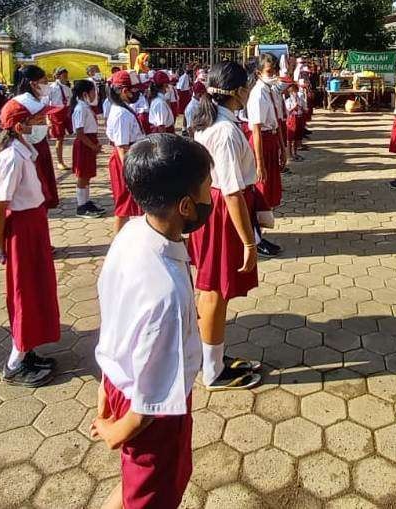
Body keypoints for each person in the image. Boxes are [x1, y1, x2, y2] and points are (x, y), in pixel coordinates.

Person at [91, 133, 210, 509]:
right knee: (153, 495)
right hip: (152, 412)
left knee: (134, 487)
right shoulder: (166, 294)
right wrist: (117, 432)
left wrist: (105, 386)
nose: (213, 195)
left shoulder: (132, 232)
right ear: (187, 206)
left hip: (119, 379)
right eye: (208, 187)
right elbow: (149, 404)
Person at [188, 61, 263, 392]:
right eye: (246, 86)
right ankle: (213, 371)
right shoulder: (226, 131)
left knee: (210, 288)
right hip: (222, 212)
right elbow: (232, 193)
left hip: (212, 206)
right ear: (236, 92)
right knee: (215, 291)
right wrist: (249, 242)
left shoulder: (209, 121)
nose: (249, 92)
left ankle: (210, 358)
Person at [0, 98, 61, 387]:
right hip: (21, 229)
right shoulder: (11, 158)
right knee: (25, 292)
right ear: (20, 126)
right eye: (37, 121)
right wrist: (1, 243)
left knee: (38, 288)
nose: (42, 125)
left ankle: (28, 349)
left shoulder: (24, 152)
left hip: (33, 224)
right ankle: (15, 363)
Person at [246, 55, 284, 257]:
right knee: (259, 192)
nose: (274, 74)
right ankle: (256, 238)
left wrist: (282, 148)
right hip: (260, 145)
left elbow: (276, 122)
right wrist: (260, 164)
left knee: (267, 193)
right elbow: (257, 130)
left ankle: (259, 235)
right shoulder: (258, 93)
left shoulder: (270, 90)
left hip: (270, 142)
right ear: (259, 73)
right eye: (270, 71)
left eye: (275, 70)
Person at [13, 65, 59, 210]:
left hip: (39, 145)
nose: (47, 85)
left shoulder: (37, 100)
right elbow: (21, 128)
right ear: (33, 84)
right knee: (35, 187)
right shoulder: (25, 103)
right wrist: (34, 129)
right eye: (44, 82)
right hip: (30, 147)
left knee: (43, 188)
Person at [106, 71, 146, 233]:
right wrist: (130, 172)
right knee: (124, 207)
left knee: (130, 205)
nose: (137, 93)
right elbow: (122, 147)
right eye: (134, 90)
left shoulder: (124, 109)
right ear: (123, 91)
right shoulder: (121, 114)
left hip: (130, 157)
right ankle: (118, 246)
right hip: (126, 161)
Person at [70, 80, 106, 218]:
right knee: (82, 175)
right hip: (84, 144)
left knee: (87, 174)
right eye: (93, 91)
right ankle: (81, 206)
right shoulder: (80, 108)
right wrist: (93, 146)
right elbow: (79, 133)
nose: (95, 94)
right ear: (85, 93)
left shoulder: (86, 107)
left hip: (90, 142)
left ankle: (86, 201)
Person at [45, 67, 73, 170]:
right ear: (57, 75)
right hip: (56, 113)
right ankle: (60, 161)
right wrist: (48, 119)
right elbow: (47, 104)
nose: (65, 77)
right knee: (59, 138)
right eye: (63, 75)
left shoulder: (67, 88)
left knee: (65, 136)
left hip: (66, 112)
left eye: (66, 75)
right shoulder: (51, 88)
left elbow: (70, 100)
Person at [284, 77, 304, 161]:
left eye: (295, 91)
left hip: (299, 117)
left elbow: (303, 107)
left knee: (296, 137)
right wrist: (293, 107)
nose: (294, 93)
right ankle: (289, 155)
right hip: (292, 118)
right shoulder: (288, 100)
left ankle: (295, 153)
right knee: (290, 138)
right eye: (292, 92)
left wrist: (301, 107)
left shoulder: (299, 98)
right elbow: (287, 110)